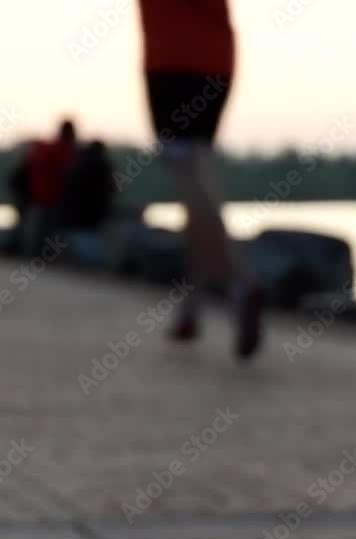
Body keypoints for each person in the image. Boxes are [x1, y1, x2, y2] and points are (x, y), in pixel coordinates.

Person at [137, 0, 265, 359]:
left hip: (170, 60)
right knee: (199, 178)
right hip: (216, 60)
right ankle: (191, 306)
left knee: (190, 180)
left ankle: (240, 284)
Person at [20, 120, 78, 255]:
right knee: (48, 228)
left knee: (38, 229)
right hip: (52, 197)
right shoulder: (62, 150)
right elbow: (67, 172)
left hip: (38, 196)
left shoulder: (44, 150)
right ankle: (43, 254)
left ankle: (34, 253)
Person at [61, 140, 117, 231]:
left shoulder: (78, 164)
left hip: (74, 215)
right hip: (94, 216)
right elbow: (111, 189)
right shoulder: (103, 167)